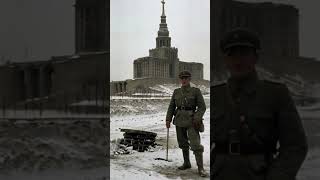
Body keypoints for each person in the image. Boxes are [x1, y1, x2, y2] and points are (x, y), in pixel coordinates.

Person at [211, 28, 308, 180]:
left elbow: (294, 146)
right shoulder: (215, 95)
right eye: (232, 54)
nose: (238, 60)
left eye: (244, 53)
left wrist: (277, 176)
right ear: (225, 60)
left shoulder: (275, 94)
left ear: (255, 57)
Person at [166, 70, 207, 177]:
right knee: (183, 143)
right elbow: (171, 106)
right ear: (180, 79)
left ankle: (201, 168)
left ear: (189, 79)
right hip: (179, 120)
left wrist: (197, 118)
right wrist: (168, 119)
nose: (184, 80)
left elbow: (202, 107)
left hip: (191, 121)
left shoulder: (195, 91)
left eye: (186, 78)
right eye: (182, 78)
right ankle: (187, 163)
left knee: (195, 144)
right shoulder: (176, 92)